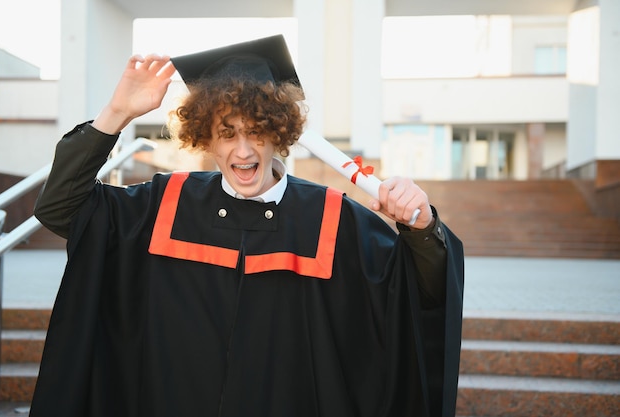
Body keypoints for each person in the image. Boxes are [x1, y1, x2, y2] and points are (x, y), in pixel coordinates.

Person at [31, 35, 464, 417]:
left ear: (281, 132)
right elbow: (61, 209)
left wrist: (422, 228)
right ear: (205, 136)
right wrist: (116, 113)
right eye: (226, 132)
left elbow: (419, 294)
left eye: (257, 130)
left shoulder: (334, 220)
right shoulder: (161, 207)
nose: (243, 150)